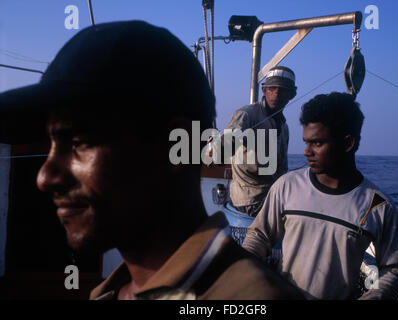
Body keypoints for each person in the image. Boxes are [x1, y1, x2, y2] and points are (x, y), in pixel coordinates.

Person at [0, 21, 303, 300]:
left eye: (78, 142)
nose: (44, 176)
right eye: (52, 143)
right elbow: (220, 150)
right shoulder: (109, 293)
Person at [242, 92, 398, 299]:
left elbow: (393, 268)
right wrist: (248, 270)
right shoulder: (287, 186)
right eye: (305, 142)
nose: (306, 151)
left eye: (317, 143)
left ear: (348, 144)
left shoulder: (379, 206)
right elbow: (259, 236)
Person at [215, 66, 296, 217]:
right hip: (249, 201)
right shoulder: (246, 114)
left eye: (283, 90)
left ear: (292, 95)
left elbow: (282, 170)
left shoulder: (284, 128)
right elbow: (219, 156)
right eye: (272, 88)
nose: (276, 93)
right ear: (264, 90)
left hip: (271, 197)